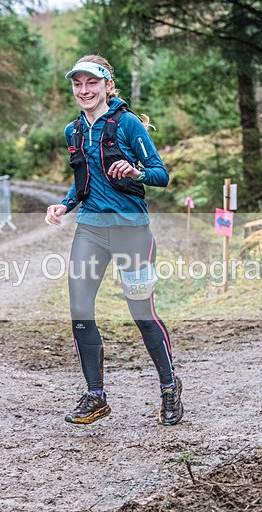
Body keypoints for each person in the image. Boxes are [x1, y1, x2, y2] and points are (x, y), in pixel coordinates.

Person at [45, 55, 183, 426]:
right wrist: (64, 204)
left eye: (92, 83)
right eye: (78, 84)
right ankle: (96, 395)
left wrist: (136, 169)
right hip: (90, 229)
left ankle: (169, 387)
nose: (84, 90)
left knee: (141, 312)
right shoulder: (73, 131)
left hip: (131, 231)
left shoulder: (128, 124)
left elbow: (160, 174)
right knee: (80, 310)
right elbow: (83, 181)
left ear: (107, 85)